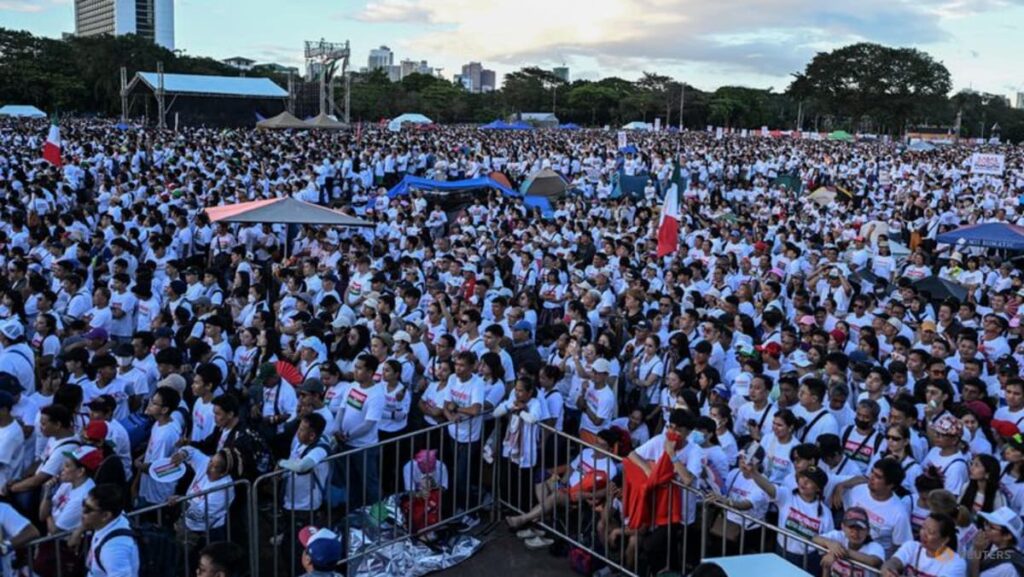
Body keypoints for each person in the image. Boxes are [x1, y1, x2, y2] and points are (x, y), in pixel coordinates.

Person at [79, 484, 140, 577]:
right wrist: (79, 530)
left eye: (88, 509)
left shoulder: (114, 549)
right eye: (83, 503)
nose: (82, 512)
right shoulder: (115, 518)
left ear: (105, 515)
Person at [881, 513, 967, 577]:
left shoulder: (956, 563)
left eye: (930, 532)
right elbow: (894, 562)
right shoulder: (911, 546)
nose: (923, 534)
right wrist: (889, 569)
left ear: (945, 540)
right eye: (923, 528)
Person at [814, 507, 886, 577]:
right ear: (843, 527)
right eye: (851, 527)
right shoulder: (839, 536)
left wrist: (838, 552)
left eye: (860, 528)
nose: (855, 532)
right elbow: (815, 538)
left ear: (868, 530)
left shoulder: (875, 547)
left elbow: (874, 561)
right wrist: (830, 544)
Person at [970, 507, 1024, 577]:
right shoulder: (994, 545)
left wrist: (976, 551)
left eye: (991, 527)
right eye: (986, 523)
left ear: (1007, 536)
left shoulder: (1005, 568)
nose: (986, 528)